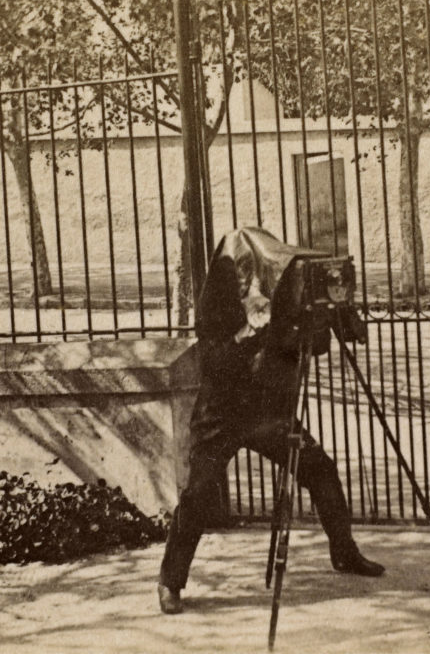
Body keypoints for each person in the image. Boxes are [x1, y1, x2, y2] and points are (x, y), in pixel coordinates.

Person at [158, 228, 384, 615]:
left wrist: (337, 317)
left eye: (256, 270)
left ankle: (345, 553)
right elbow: (218, 362)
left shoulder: (282, 297)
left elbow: (314, 344)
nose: (251, 281)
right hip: (222, 416)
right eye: (242, 272)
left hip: (269, 413)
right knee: (198, 495)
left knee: (320, 470)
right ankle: (170, 581)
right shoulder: (216, 308)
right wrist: (254, 336)